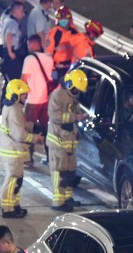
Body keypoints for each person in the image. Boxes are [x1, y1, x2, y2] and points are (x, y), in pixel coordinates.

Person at [0, 79, 43, 219]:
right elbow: (19, 135)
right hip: (12, 151)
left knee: (17, 180)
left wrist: (30, 126)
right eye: (23, 94)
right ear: (15, 95)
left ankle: (14, 205)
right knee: (12, 180)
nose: (26, 97)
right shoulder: (14, 110)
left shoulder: (14, 108)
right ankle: (8, 209)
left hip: (13, 150)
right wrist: (36, 138)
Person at [47, 69, 87, 212]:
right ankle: (58, 202)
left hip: (69, 142)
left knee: (70, 172)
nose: (77, 91)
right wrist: (74, 117)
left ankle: (67, 198)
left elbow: (76, 111)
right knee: (59, 172)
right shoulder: (58, 95)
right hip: (58, 141)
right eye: (76, 88)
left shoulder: (72, 96)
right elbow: (54, 115)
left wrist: (81, 115)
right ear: (70, 84)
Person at [21, 33, 56, 157]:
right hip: (45, 100)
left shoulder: (29, 59)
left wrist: (21, 97)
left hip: (32, 101)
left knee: (28, 129)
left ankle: (28, 157)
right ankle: (49, 155)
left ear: (32, 44)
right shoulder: (49, 58)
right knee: (46, 130)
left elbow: (23, 80)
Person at [0, 2, 27, 105]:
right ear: (17, 10)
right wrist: (10, 52)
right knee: (13, 82)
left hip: (9, 54)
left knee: (8, 83)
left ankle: (4, 105)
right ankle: (8, 104)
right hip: (11, 56)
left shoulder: (8, 20)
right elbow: (9, 36)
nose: (23, 14)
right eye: (22, 11)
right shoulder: (12, 23)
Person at [46, 6, 81, 75]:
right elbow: (48, 53)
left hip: (72, 68)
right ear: (58, 20)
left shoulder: (74, 31)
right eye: (61, 18)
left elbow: (79, 48)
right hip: (58, 68)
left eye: (65, 18)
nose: (63, 20)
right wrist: (52, 69)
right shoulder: (53, 33)